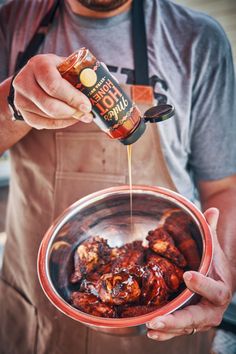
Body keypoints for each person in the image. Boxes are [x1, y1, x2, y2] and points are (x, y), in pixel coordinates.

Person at [0, 0, 235, 353]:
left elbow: (224, 186)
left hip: (166, 325)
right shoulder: (9, 22)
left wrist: (221, 267)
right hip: (36, 305)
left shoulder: (199, 40)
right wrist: (11, 104)